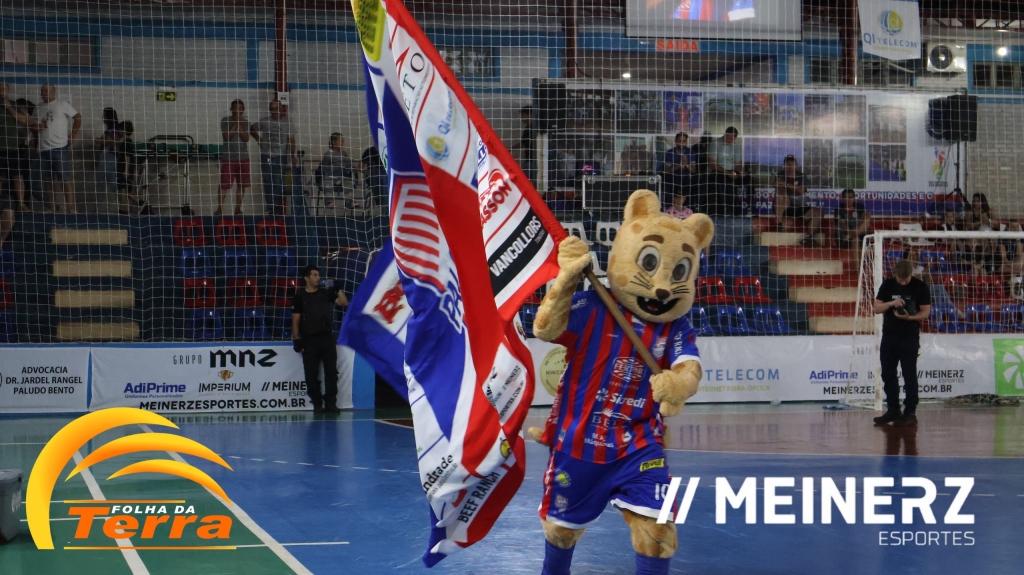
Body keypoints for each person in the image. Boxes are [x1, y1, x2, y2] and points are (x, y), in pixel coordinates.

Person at [872, 259, 931, 427]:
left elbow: (925, 312)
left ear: (911, 274)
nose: (903, 283)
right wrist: (891, 303)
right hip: (889, 336)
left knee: (909, 374)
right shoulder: (888, 285)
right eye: (900, 280)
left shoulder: (920, 286)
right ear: (895, 274)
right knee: (888, 373)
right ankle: (893, 409)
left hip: (909, 337)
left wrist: (910, 317)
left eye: (906, 280)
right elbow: (876, 308)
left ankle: (910, 411)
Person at [292, 264, 349, 414]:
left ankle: (331, 403)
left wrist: (338, 289)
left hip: (326, 338)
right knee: (311, 373)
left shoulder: (325, 293)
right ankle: (317, 403)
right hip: (309, 339)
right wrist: (296, 339)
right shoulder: (299, 297)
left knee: (331, 372)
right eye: (315, 275)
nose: (318, 277)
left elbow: (344, 303)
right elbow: (295, 320)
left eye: (318, 275)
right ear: (306, 278)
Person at [31, 83, 81, 213]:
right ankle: (52, 208)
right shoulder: (38, 108)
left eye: (47, 90)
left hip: (59, 146)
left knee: (64, 178)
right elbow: (34, 126)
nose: (44, 93)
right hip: (43, 149)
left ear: (54, 92)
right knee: (48, 180)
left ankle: (70, 208)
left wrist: (72, 135)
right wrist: (35, 131)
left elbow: (78, 117)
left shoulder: (62, 104)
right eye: (42, 90)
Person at [250, 100, 296, 215]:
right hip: (266, 155)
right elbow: (252, 128)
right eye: (272, 108)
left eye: (277, 108)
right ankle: (270, 206)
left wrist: (292, 155)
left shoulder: (287, 122)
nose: (275, 111)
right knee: (268, 180)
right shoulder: (265, 121)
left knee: (278, 181)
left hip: (281, 156)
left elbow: (292, 139)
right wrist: (259, 140)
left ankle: (276, 205)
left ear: (281, 109)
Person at [774, 154, 821, 245]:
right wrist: (793, 187)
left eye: (792, 163)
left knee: (819, 212)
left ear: (796, 165)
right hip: (786, 207)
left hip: (800, 207)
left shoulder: (802, 176)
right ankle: (779, 225)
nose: (790, 165)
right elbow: (780, 189)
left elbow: (801, 191)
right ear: (784, 165)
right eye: (788, 163)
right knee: (780, 195)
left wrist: (787, 184)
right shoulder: (780, 175)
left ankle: (809, 238)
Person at [0, 84, 30, 213]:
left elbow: (25, 121)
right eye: (0, 89)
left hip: (12, 147)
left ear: (8, 90)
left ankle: (21, 204)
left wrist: (9, 108)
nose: (1, 91)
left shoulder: (14, 104)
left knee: (17, 176)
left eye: (4, 89)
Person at [218, 99, 251, 216]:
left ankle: (238, 208)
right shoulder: (225, 120)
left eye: (240, 108)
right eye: (235, 108)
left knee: (241, 184)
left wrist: (239, 124)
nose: (238, 111)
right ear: (231, 109)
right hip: (229, 158)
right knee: (224, 184)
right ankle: (219, 208)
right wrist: (236, 123)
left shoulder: (246, 122)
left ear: (243, 110)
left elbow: (246, 139)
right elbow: (227, 136)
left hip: (243, 157)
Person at [707, 126, 749, 216]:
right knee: (726, 182)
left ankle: (748, 207)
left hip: (732, 171)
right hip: (719, 172)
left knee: (749, 180)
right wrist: (727, 173)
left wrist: (741, 171)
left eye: (733, 139)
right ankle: (727, 211)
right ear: (725, 135)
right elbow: (712, 164)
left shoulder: (736, 146)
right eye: (730, 138)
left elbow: (738, 164)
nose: (731, 141)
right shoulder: (715, 144)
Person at [317, 133, 357, 209]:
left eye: (343, 141)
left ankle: (349, 201)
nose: (342, 143)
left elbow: (348, 166)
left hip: (342, 177)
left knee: (348, 182)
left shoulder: (344, 154)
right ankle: (329, 201)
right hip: (330, 176)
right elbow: (324, 168)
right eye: (340, 141)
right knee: (327, 183)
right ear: (333, 142)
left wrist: (350, 171)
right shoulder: (328, 154)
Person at [95, 108, 121, 211]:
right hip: (109, 158)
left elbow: (115, 141)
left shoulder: (112, 129)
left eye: (104, 115)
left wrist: (101, 142)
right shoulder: (111, 129)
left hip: (109, 158)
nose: (102, 117)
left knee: (103, 184)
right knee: (111, 184)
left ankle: (99, 209)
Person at [834, 188, 870, 254]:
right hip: (844, 237)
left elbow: (867, 218)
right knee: (855, 239)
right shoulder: (839, 209)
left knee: (867, 221)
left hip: (858, 234)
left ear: (854, 198)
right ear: (842, 198)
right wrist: (852, 232)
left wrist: (854, 233)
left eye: (850, 197)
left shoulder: (860, 206)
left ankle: (854, 234)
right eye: (845, 197)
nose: (847, 199)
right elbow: (842, 225)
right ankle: (857, 262)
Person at [661, 132, 694, 199]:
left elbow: (694, 170)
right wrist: (679, 166)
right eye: (680, 141)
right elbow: (667, 171)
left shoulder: (691, 152)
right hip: (673, 179)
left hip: (686, 179)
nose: (682, 143)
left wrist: (687, 166)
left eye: (684, 141)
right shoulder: (670, 152)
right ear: (676, 141)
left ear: (686, 142)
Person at [519, 105, 537, 185]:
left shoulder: (530, 129)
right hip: (532, 159)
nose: (522, 118)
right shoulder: (532, 128)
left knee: (526, 183)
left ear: (529, 115)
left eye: (523, 115)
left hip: (530, 160)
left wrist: (509, 149)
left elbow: (522, 144)